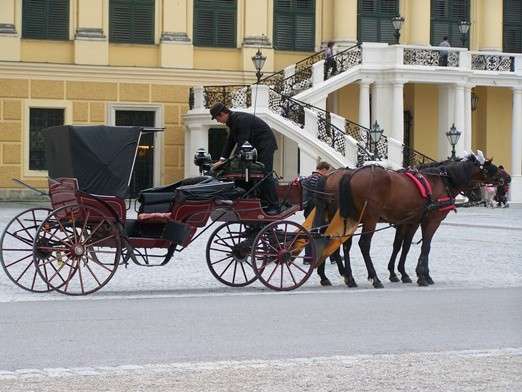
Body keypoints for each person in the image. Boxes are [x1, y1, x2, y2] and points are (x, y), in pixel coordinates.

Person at [209, 102, 282, 215]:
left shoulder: (241, 120)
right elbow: (230, 142)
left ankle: (274, 206)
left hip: (265, 145)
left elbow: (243, 143)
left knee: (265, 174)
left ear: (222, 114)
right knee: (252, 173)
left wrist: (232, 161)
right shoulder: (233, 121)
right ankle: (256, 200)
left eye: (217, 118)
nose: (217, 121)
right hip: (256, 147)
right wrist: (222, 160)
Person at [303, 161, 335, 264]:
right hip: (315, 208)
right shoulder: (318, 179)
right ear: (323, 169)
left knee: (311, 231)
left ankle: (309, 256)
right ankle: (330, 256)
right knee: (323, 231)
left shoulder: (310, 177)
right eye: (327, 171)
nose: (327, 174)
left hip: (309, 207)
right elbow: (319, 194)